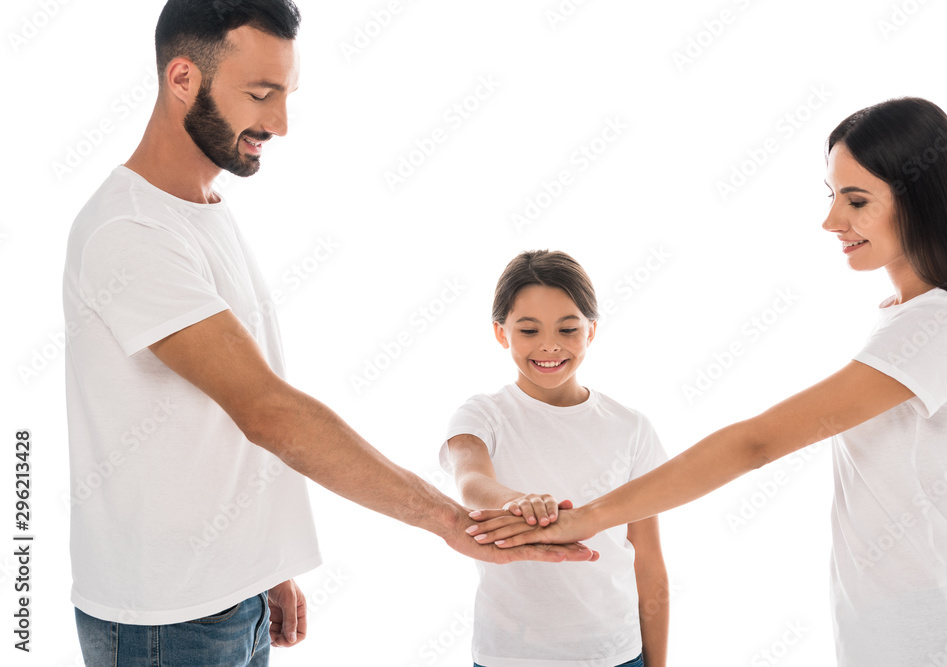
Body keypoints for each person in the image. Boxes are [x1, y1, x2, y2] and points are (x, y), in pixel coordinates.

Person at [62, 1, 596, 665]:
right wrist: (449, 519)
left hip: (228, 598)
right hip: (166, 621)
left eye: (285, 94)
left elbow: (214, 416)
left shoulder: (202, 210)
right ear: (181, 80)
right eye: (260, 95)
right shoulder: (132, 231)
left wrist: (263, 566)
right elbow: (267, 411)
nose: (280, 123)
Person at [467, 97, 947, 666]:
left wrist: (584, 519)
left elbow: (757, 443)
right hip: (890, 628)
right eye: (832, 195)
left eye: (857, 200)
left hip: (938, 632)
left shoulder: (942, 324)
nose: (831, 220)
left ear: (921, 199)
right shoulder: (909, 317)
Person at [441, 250, 669, 667]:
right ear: (501, 332)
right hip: (509, 656)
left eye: (568, 328)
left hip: (616, 654)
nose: (549, 345)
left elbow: (649, 561)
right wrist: (515, 501)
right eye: (528, 330)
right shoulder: (481, 414)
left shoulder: (631, 427)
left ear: (592, 330)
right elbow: (470, 480)